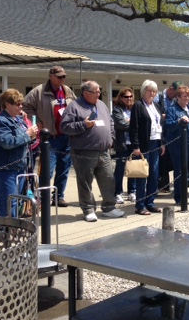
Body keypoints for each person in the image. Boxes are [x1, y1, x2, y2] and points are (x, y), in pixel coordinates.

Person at [60, 81, 125, 222]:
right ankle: (88, 209)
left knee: (108, 179)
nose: (98, 94)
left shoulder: (101, 105)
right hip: (84, 151)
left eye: (99, 91)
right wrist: (83, 124)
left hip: (104, 151)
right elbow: (64, 127)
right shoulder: (74, 107)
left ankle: (109, 207)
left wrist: (111, 137)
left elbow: (110, 122)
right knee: (85, 182)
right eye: (95, 92)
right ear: (85, 93)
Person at [23, 65, 76, 207]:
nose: (62, 79)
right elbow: (26, 107)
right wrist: (36, 121)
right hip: (50, 137)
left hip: (66, 136)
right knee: (47, 170)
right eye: (59, 77)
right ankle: (42, 197)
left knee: (64, 169)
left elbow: (75, 107)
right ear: (51, 76)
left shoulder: (67, 91)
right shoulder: (39, 91)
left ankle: (59, 197)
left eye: (63, 77)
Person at [0, 89, 38, 217]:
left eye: (21, 104)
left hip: (18, 166)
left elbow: (24, 141)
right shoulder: (1, 121)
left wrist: (32, 136)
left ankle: (13, 226)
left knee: (16, 200)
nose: (21, 106)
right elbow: (7, 142)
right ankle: (6, 227)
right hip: (4, 168)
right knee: (8, 201)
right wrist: (28, 134)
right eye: (17, 104)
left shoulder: (18, 120)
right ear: (7, 104)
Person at [130, 80, 165, 215]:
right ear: (144, 91)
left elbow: (161, 125)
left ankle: (150, 202)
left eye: (154, 91)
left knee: (154, 174)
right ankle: (140, 205)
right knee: (143, 175)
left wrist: (162, 143)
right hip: (144, 144)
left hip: (156, 142)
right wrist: (136, 146)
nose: (152, 93)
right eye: (150, 91)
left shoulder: (156, 106)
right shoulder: (138, 106)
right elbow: (133, 128)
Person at [111, 88, 136, 204]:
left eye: (130, 96)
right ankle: (118, 192)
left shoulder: (135, 108)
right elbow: (120, 124)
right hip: (122, 144)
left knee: (133, 168)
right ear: (121, 98)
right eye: (126, 97)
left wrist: (129, 121)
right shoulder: (117, 109)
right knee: (120, 169)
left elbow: (139, 122)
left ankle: (132, 191)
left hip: (134, 143)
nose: (129, 99)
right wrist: (133, 123)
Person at [157, 81, 180, 192]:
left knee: (170, 161)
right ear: (171, 89)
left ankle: (175, 185)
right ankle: (163, 186)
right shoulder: (159, 97)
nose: (176, 96)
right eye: (175, 93)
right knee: (162, 161)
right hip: (160, 132)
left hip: (171, 133)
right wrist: (161, 116)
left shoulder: (175, 100)